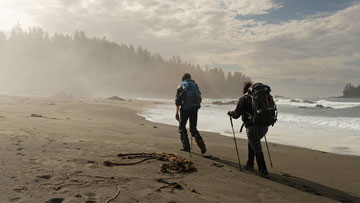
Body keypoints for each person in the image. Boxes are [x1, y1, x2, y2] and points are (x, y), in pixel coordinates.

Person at [227, 81, 270, 178]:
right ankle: (250, 164)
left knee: (257, 148)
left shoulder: (244, 98)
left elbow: (236, 115)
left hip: (252, 128)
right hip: (264, 127)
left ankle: (264, 171)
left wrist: (230, 113)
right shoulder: (260, 98)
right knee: (252, 143)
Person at [175, 73, 206, 154]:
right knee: (193, 128)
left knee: (182, 127)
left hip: (185, 109)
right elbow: (199, 96)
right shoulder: (195, 86)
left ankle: (186, 146)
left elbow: (177, 101)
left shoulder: (181, 86)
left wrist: (177, 112)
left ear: (183, 79)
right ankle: (200, 142)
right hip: (194, 109)